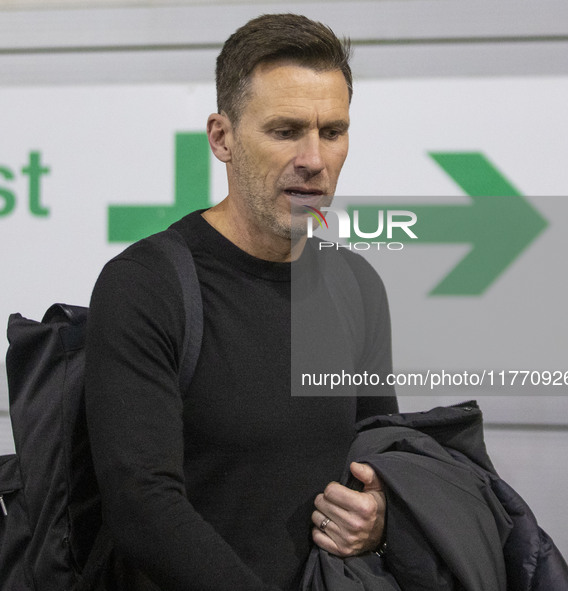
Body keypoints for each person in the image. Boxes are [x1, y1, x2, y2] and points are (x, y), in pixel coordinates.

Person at [85, 13, 398, 591]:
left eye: (333, 131)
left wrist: (380, 521)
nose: (314, 159)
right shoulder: (144, 285)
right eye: (285, 131)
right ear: (222, 138)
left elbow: (384, 457)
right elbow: (142, 507)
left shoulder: (357, 284)